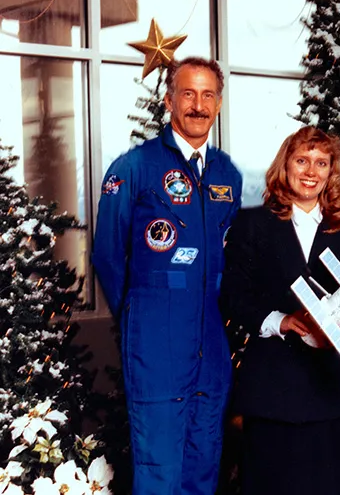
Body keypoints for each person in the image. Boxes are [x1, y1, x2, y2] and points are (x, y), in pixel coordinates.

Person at [92, 57, 243, 494]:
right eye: (188, 93)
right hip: (157, 340)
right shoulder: (134, 168)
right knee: (159, 469)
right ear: (169, 100)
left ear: (218, 103)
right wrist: (141, 315)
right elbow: (107, 256)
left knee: (203, 464)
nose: (198, 105)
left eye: (208, 94)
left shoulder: (226, 174)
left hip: (211, 342)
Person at [220, 126, 340, 495]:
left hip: (332, 392)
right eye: (302, 160)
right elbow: (233, 296)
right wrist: (281, 321)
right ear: (285, 166)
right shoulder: (253, 224)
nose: (310, 171)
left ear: (331, 171)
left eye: (322, 163)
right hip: (272, 393)